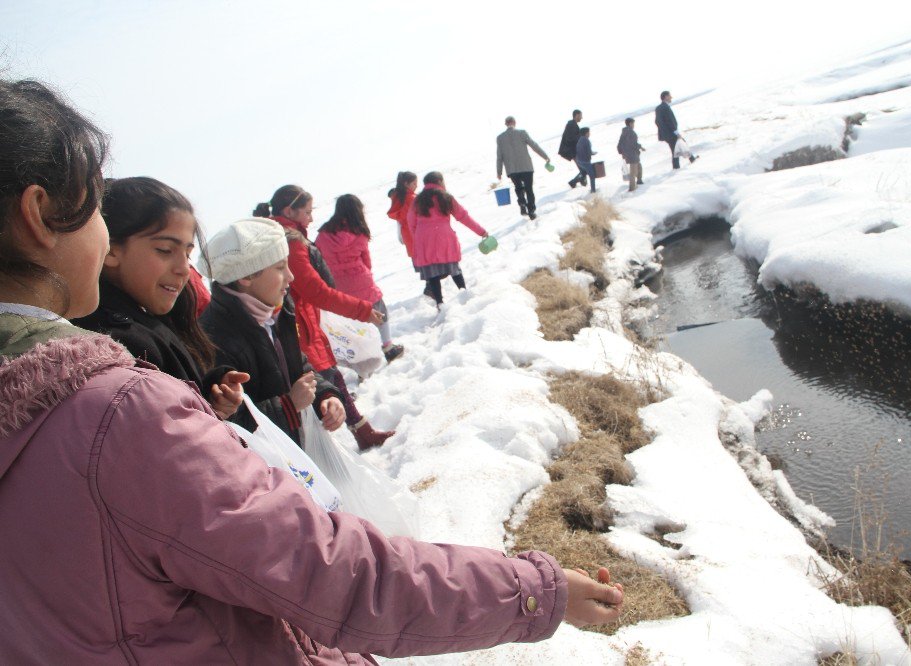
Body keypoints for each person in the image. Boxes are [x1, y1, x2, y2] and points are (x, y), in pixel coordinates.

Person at [0, 78, 624, 665]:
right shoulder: (116, 415)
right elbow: (329, 572)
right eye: (94, 209)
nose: (105, 237)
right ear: (38, 215)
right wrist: (532, 590)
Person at [73, 176, 247, 420]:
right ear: (111, 250)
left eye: (187, 254)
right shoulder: (119, 345)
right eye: (165, 250)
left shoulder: (148, 318)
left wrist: (213, 390)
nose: (184, 269)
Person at [259, 186, 395, 450]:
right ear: (290, 211)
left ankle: (361, 431)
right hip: (296, 325)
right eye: (307, 212)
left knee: (331, 378)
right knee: (320, 383)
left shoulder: (274, 235)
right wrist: (363, 310)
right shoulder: (289, 241)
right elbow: (315, 290)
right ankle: (330, 451)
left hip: (297, 321)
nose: (311, 218)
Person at [198, 217, 347, 445]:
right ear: (246, 276)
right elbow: (227, 422)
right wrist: (288, 406)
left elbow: (297, 366)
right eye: (279, 267)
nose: (290, 276)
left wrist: (325, 395)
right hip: (268, 466)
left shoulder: (275, 310)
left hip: (297, 448)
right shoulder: (213, 337)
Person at [316, 194, 404, 363]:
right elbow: (367, 261)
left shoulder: (323, 234)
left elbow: (319, 260)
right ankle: (388, 347)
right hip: (361, 281)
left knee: (351, 323)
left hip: (338, 285)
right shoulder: (359, 231)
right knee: (380, 313)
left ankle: (360, 359)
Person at [407, 171, 489, 308]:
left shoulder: (418, 200)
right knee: (453, 267)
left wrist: (420, 236)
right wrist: (482, 232)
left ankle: (440, 304)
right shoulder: (445, 197)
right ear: (439, 181)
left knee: (432, 274)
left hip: (423, 238)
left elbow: (411, 222)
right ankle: (465, 295)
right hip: (443, 236)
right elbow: (463, 217)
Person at [496, 116, 551, 220]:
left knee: (518, 187)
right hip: (526, 167)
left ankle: (522, 202)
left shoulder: (500, 138)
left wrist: (499, 172)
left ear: (506, 124)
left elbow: (499, 156)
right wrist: (545, 156)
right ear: (514, 122)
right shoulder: (522, 133)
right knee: (529, 189)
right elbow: (534, 145)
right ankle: (531, 211)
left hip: (512, 169)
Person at [386, 170, 418, 259]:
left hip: (408, 237)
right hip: (419, 237)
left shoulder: (398, 199)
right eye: (414, 183)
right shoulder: (411, 199)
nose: (416, 186)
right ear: (406, 184)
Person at [559, 109, 589, 189]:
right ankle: (574, 183)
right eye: (580, 116)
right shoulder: (571, 124)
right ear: (576, 115)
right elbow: (570, 138)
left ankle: (579, 184)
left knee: (583, 169)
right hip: (572, 151)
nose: (581, 118)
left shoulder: (573, 124)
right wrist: (581, 137)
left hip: (574, 151)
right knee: (584, 170)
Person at [617, 118, 645, 192]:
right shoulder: (630, 132)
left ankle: (639, 180)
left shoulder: (624, 132)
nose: (634, 125)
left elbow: (619, 144)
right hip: (632, 154)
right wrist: (640, 147)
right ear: (630, 124)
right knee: (633, 171)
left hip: (628, 154)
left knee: (639, 166)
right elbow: (633, 144)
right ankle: (632, 187)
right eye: (633, 123)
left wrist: (622, 152)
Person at [656, 90, 682, 170]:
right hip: (671, 133)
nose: (671, 97)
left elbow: (657, 121)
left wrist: (662, 131)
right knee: (675, 149)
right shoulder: (665, 107)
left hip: (665, 134)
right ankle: (676, 167)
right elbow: (670, 121)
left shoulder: (658, 108)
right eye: (670, 96)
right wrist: (676, 132)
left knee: (679, 145)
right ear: (666, 97)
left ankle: (691, 158)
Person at [575, 127, 598, 194]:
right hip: (585, 161)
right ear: (586, 133)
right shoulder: (586, 140)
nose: (589, 134)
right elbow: (589, 152)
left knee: (584, 173)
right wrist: (592, 153)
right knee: (592, 175)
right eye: (589, 132)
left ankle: (575, 181)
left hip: (579, 161)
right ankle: (593, 191)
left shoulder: (579, 140)